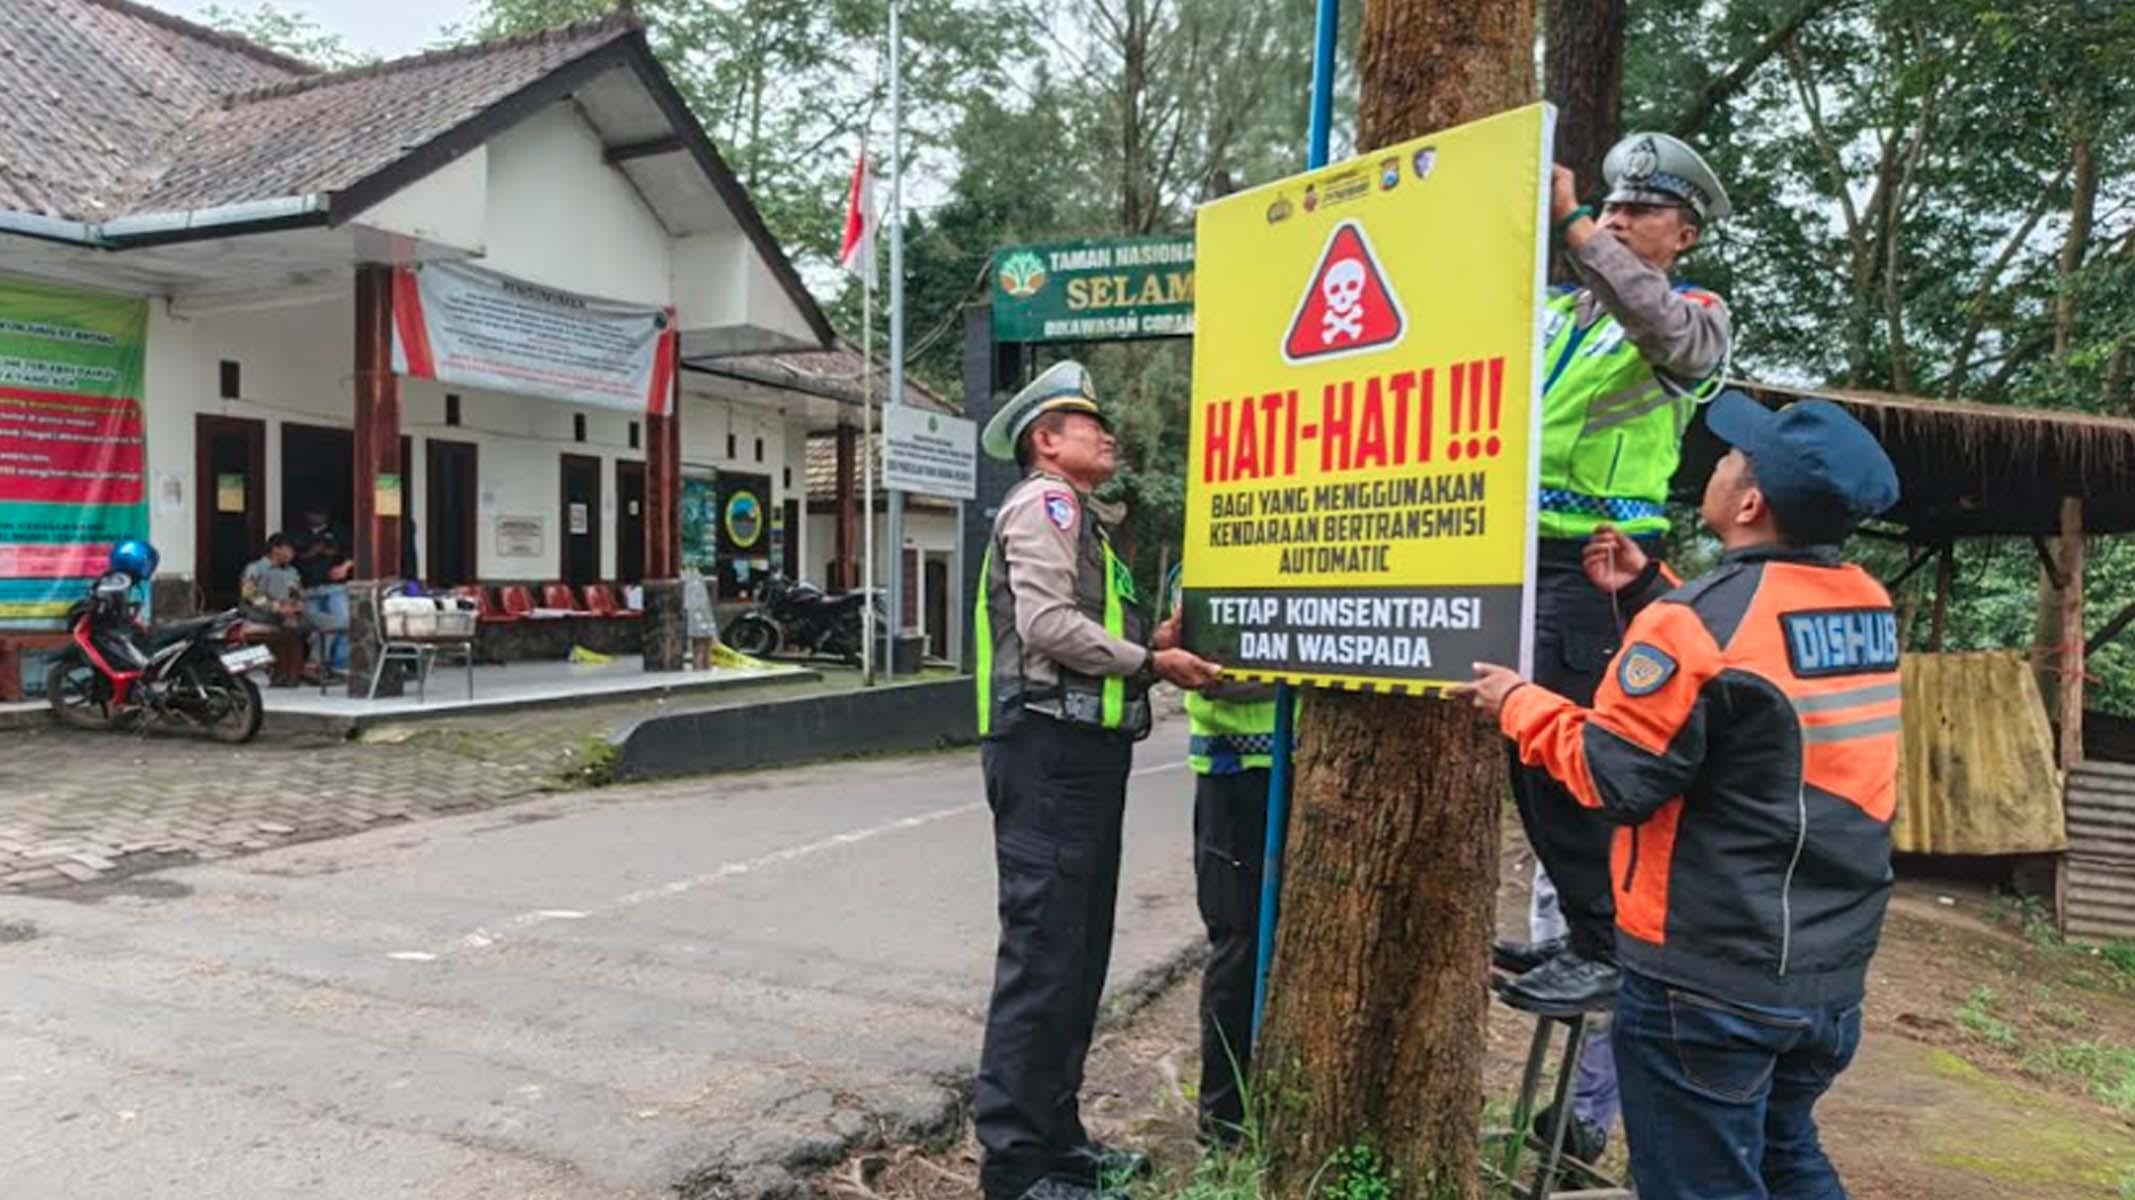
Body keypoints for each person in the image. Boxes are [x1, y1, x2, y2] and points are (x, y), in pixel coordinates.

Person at [1459, 392, 1903, 1200]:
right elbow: (1744, 679)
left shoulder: (1693, 624)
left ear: (1749, 502)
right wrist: (1647, 589)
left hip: (1706, 979)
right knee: (1783, 1154)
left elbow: (1613, 777)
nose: (1717, 464)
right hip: (1826, 969)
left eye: (1732, 458)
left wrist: (1517, 703)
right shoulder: (1864, 602)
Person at [971, 360, 1223, 1200]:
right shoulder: (1045, 503)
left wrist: (1153, 643)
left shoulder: (1082, 519)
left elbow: (1086, 631)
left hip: (1079, 752)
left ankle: (1059, 1144)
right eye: (1089, 423)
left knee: (1075, 956)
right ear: (1046, 441)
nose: (1108, 434)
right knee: (1044, 954)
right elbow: (1046, 626)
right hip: (1047, 751)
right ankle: (1015, 1164)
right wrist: (1153, 662)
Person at [1499, 130, 1736, 1017]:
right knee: (1526, 752)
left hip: (1599, 566)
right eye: (1612, 206)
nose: (1618, 219)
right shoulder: (1559, 315)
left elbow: (1659, 324)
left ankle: (1606, 944)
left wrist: (1573, 227)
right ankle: (1582, 928)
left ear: (1685, 235)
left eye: (1642, 210)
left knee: (1572, 753)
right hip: (1518, 556)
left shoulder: (1694, 315)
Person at [1156, 565, 1284, 1147]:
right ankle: (1226, 1123)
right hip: (1235, 772)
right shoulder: (1208, 562)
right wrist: (1313, 667)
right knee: (1240, 945)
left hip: (1301, 772)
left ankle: (1268, 1104)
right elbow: (1208, 669)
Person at [239, 533, 310, 685]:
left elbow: (297, 593)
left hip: (284, 619)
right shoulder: (255, 569)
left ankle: (291, 676)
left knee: (297, 630)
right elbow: (250, 594)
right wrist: (275, 607)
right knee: (286, 634)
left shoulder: (292, 572)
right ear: (275, 549)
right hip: (257, 619)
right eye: (289, 549)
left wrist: (295, 606)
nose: (292, 554)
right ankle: (282, 673)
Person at [296, 502, 352, 676]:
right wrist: (312, 552)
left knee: (343, 621)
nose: (317, 516)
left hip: (335, 588)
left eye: (321, 513)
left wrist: (344, 567)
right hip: (308, 589)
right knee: (317, 627)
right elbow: (291, 558)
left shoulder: (339, 531)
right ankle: (317, 663)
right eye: (313, 513)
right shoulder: (298, 533)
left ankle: (340, 663)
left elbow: (356, 552)